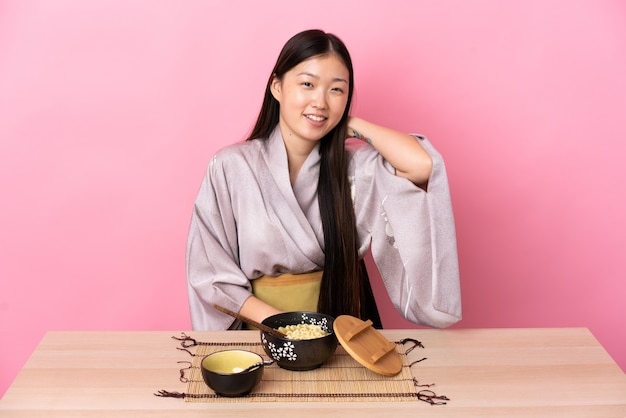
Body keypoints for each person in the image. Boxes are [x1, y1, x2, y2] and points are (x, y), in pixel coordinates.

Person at [186, 29, 461, 331]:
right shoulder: (231, 166)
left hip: (342, 327)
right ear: (277, 87)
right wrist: (288, 327)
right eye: (307, 84)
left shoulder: (355, 167)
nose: (320, 101)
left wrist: (350, 124)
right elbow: (211, 273)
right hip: (263, 330)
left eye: (336, 90)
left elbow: (423, 166)